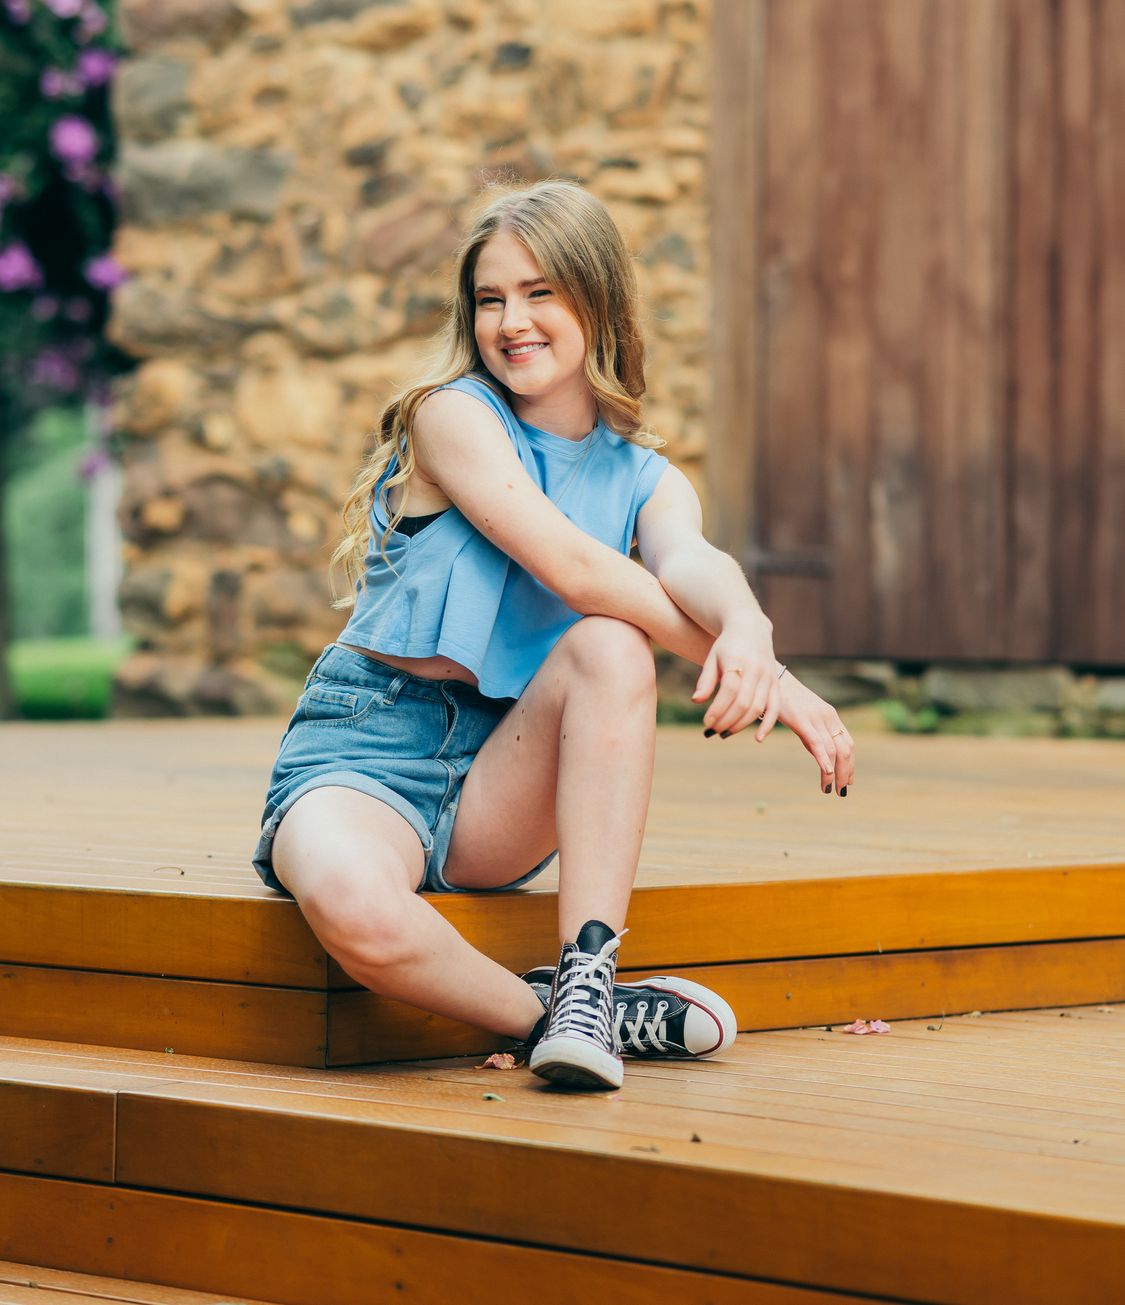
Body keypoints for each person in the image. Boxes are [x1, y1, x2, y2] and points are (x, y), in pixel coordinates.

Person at [254, 181, 856, 1091]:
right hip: (369, 746)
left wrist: (750, 630)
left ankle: (588, 967)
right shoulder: (451, 415)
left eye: (540, 292)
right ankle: (566, 1015)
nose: (512, 321)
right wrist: (788, 688)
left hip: (507, 772)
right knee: (356, 912)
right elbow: (571, 568)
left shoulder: (647, 477)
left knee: (612, 646)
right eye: (491, 298)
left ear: (596, 300)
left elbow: (689, 561)